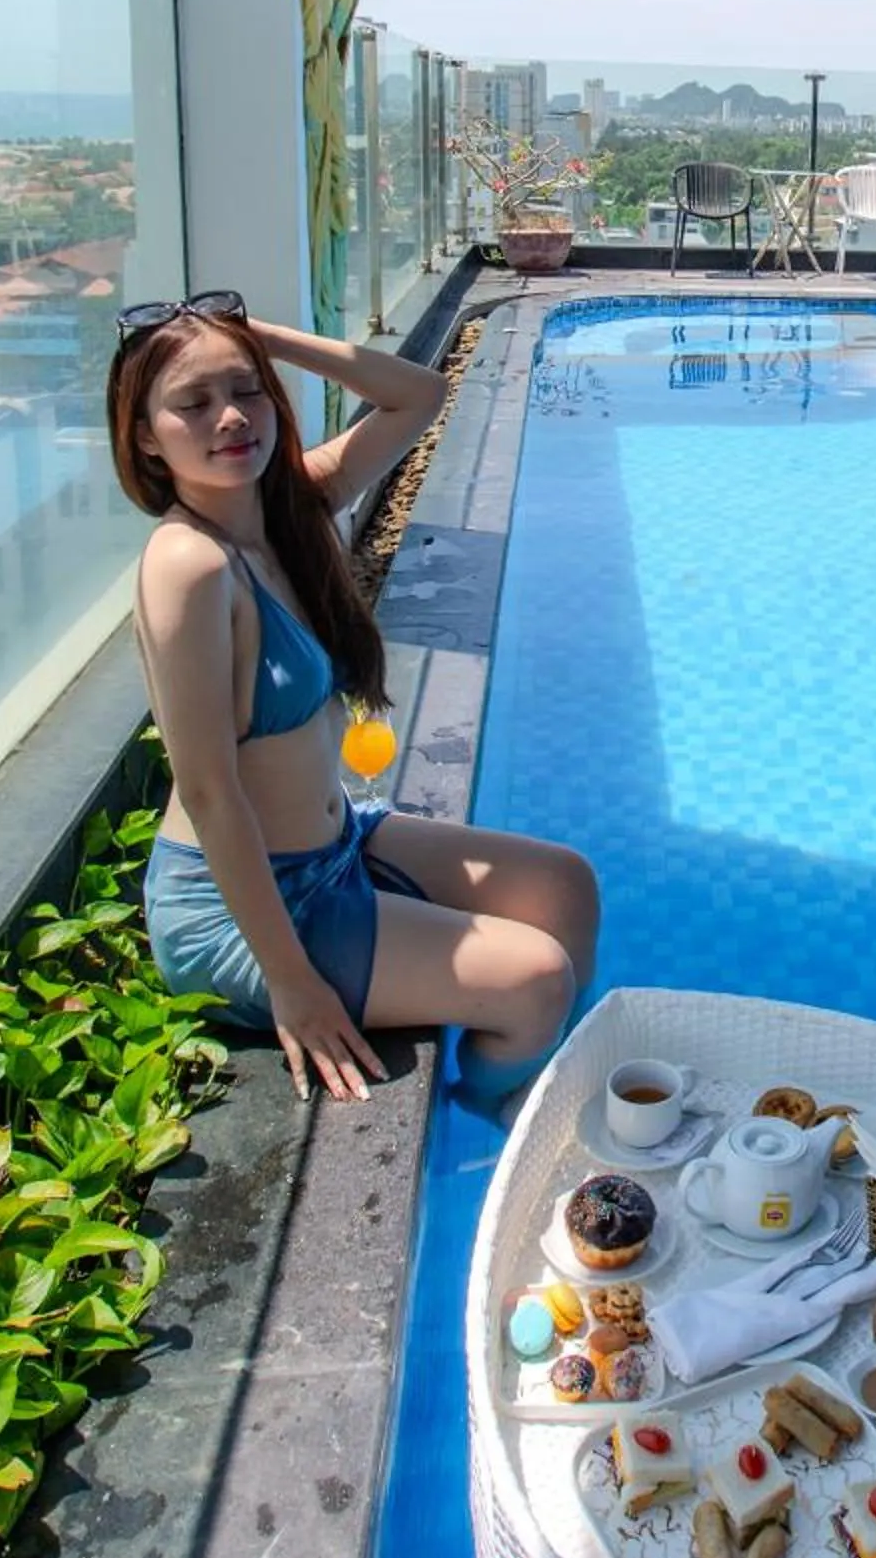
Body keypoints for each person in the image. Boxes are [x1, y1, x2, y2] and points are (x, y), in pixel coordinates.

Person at [107, 291, 598, 1106]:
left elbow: (421, 394)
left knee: (564, 885)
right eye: (193, 404)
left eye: (247, 389)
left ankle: (530, 1096)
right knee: (534, 980)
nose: (230, 417)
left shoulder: (287, 510)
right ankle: (490, 1127)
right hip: (245, 909)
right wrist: (292, 983)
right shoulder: (187, 566)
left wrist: (253, 334)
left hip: (333, 851)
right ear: (146, 440)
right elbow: (208, 792)